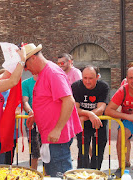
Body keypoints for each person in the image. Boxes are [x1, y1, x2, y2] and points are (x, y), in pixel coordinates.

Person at [25, 43, 82, 177]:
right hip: (51, 136)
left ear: (33, 58)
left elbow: (69, 101)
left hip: (56, 137)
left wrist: (58, 129)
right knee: (54, 174)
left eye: (26, 65)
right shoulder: (46, 72)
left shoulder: (52, 72)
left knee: (60, 174)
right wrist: (36, 115)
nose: (26, 69)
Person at [71, 65, 109, 170]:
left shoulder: (103, 87)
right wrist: (90, 114)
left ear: (97, 77)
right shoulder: (76, 86)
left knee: (98, 151)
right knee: (83, 151)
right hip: (84, 123)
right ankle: (82, 174)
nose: (87, 81)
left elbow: (101, 109)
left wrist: (85, 116)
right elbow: (75, 109)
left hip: (98, 122)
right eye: (85, 78)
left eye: (91, 78)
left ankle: (95, 173)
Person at [22, 74, 41, 170]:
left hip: (46, 121)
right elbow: (25, 101)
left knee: (48, 151)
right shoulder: (26, 83)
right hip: (31, 122)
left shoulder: (48, 81)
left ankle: (47, 174)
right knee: (34, 152)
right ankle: (34, 173)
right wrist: (30, 112)